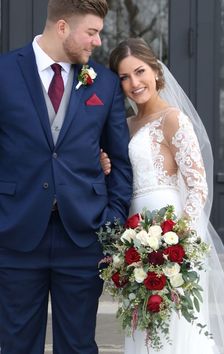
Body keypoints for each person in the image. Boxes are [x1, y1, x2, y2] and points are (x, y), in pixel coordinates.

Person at [0, 1, 133, 353]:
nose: (99, 42)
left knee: (77, 346)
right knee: (15, 345)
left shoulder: (103, 83)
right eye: (91, 32)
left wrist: (113, 221)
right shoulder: (3, 73)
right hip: (14, 235)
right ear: (62, 28)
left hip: (83, 237)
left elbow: (120, 161)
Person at [100, 37, 224, 354]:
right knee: (142, 329)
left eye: (139, 71)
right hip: (135, 237)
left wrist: (178, 240)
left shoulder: (173, 119)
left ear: (156, 71)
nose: (134, 83)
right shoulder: (125, 125)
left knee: (175, 329)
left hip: (171, 240)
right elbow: (120, 176)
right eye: (124, 77)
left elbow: (197, 185)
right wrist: (104, 164)